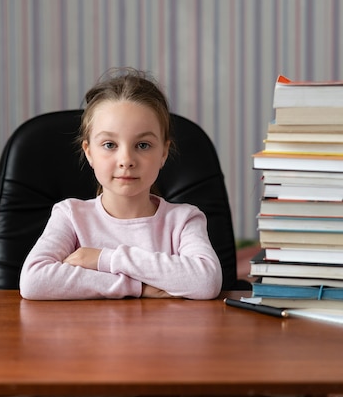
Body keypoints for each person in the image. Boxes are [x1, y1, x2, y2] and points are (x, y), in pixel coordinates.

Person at [19, 68, 222, 300]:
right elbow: (34, 281)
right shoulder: (70, 216)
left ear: (164, 152)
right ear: (89, 152)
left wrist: (103, 259)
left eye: (143, 145)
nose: (126, 160)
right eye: (109, 145)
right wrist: (138, 288)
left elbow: (206, 282)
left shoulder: (184, 220)